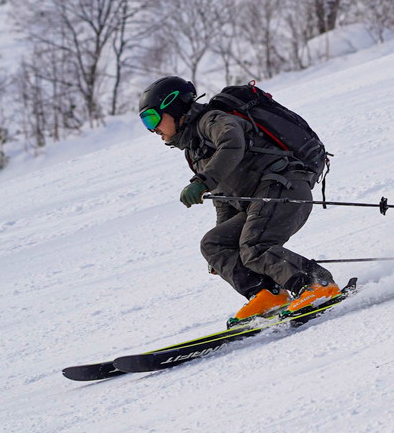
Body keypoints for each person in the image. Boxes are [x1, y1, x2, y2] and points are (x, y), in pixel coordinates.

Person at [138, 75, 338, 325]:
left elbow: (232, 144)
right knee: (214, 243)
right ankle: (268, 294)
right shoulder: (195, 151)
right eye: (145, 122)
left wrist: (203, 181)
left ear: (174, 107)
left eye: (152, 118)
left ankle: (316, 284)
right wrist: (224, 250)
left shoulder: (212, 120)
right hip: (261, 200)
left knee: (255, 246)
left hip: (284, 188)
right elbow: (225, 199)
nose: (151, 128)